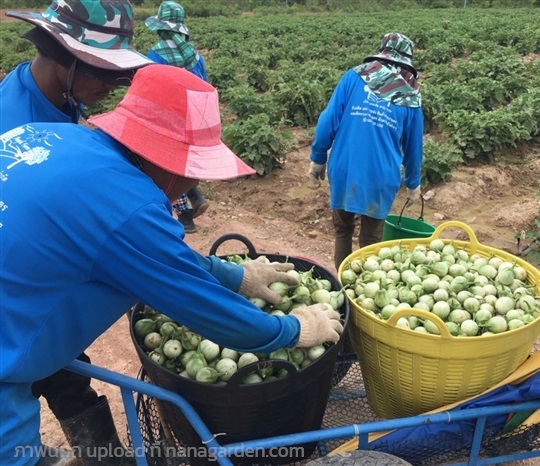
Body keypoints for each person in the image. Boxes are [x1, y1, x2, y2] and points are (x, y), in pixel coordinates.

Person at [0, 64, 344, 466]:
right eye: (193, 170)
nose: (192, 182)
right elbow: (210, 312)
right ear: (168, 162)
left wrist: (237, 277)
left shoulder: (55, 135)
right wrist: (294, 329)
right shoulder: (130, 207)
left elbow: (151, 254)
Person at [0, 1, 152, 464]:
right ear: (66, 58)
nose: (112, 87)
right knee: (31, 378)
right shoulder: (16, 123)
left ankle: (100, 455)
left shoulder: (54, 99)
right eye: (104, 73)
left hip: (35, 282)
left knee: (66, 369)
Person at [308, 33, 424, 271]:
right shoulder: (411, 96)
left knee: (342, 230)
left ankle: (341, 285)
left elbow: (328, 120)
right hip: (380, 175)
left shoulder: (354, 77)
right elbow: (414, 146)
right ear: (407, 62)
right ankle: (360, 294)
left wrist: (318, 158)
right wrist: (413, 183)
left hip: (344, 166)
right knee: (371, 240)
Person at [145, 0, 210, 233]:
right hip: (193, 121)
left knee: (166, 168)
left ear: (162, 28)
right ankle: (196, 195)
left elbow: (150, 89)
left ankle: (185, 218)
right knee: (182, 164)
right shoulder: (195, 56)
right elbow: (206, 87)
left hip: (168, 121)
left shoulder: (156, 54)